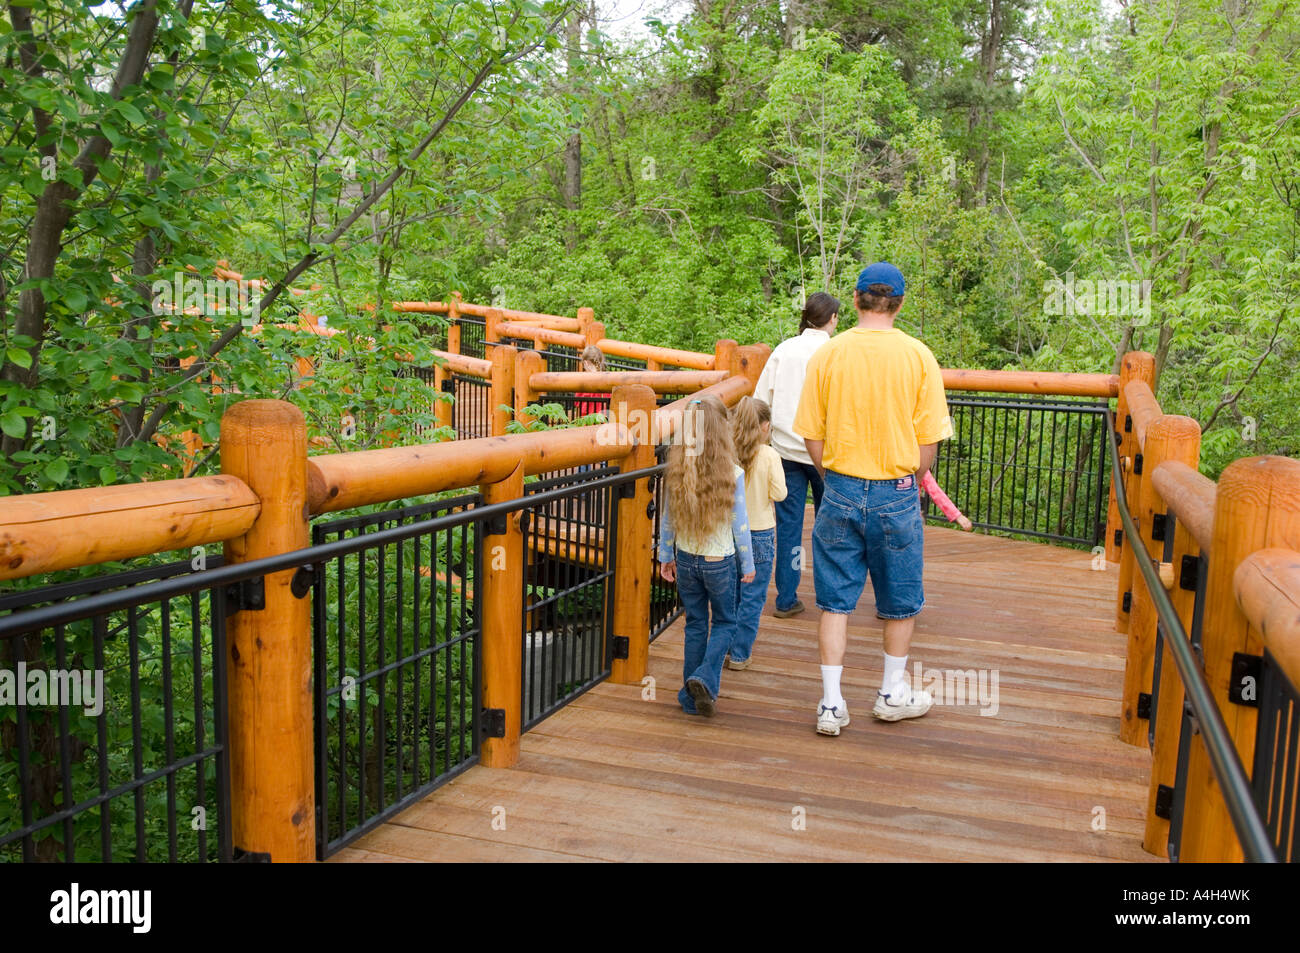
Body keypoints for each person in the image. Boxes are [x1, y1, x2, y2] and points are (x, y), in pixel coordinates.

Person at [792, 262, 953, 735]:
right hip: (897, 491)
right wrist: (911, 476)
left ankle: (830, 704)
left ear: (857, 299)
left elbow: (812, 436)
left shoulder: (828, 354)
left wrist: (833, 476)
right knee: (900, 599)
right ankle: (890, 694)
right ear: (898, 303)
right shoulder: (919, 357)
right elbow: (928, 444)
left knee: (834, 602)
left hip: (839, 486)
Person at [656, 395, 756, 716]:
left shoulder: (677, 470)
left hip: (685, 558)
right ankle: (703, 678)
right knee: (726, 622)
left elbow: (667, 518)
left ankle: (690, 697)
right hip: (719, 562)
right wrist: (749, 564)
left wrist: (664, 555)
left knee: (696, 623)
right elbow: (740, 526)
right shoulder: (733, 473)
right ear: (721, 430)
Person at [752, 291, 840, 619]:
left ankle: (786, 597)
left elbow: (761, 401)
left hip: (785, 452)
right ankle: (830, 596)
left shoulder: (784, 350)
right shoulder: (835, 352)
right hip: (826, 456)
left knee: (789, 527)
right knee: (829, 526)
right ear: (832, 318)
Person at [727, 397, 787, 670]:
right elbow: (780, 493)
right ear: (765, 426)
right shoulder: (770, 455)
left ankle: (724, 647)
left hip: (730, 532)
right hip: (760, 532)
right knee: (753, 597)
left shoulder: (728, 452)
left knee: (731, 594)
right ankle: (740, 654)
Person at [574, 346, 608, 421]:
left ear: (585, 363)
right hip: (601, 422)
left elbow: (577, 406)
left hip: (586, 422)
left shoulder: (582, 381)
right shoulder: (606, 380)